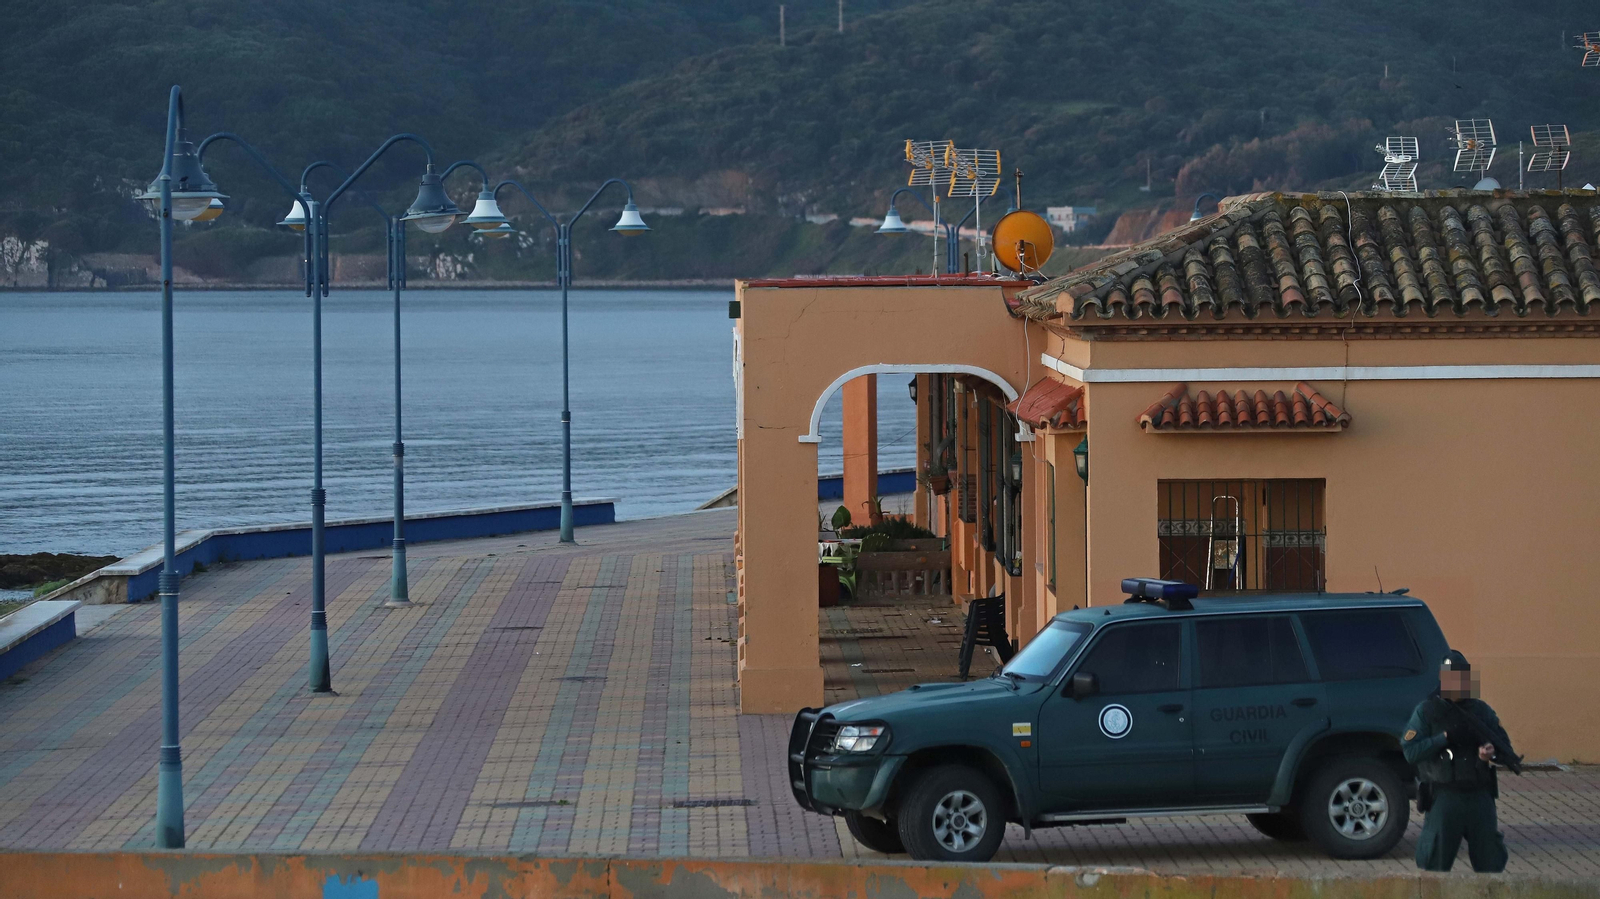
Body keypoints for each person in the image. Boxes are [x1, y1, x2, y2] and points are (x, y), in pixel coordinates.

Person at [1402, 650, 1511, 872]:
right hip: (1444, 796)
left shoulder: (1481, 711)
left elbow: (1505, 750)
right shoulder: (1427, 711)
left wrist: (1489, 753)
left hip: (1479, 796)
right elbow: (1410, 751)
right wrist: (1444, 738)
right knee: (1435, 864)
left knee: (1490, 863)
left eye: (1461, 678)